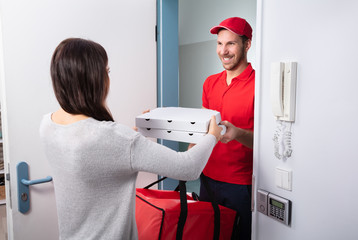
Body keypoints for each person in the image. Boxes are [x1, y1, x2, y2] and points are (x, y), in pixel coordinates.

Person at [40, 38, 222, 240]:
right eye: (106, 72)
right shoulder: (115, 139)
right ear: (94, 79)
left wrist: (136, 137)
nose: (108, 78)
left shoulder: (48, 124)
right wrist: (212, 135)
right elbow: (188, 167)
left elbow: (96, 150)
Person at [199, 17, 255, 240]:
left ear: (246, 44)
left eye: (231, 43)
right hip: (207, 179)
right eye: (220, 44)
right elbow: (202, 131)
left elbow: (267, 141)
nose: (224, 51)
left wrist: (238, 133)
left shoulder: (259, 85)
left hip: (241, 185)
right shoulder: (210, 82)